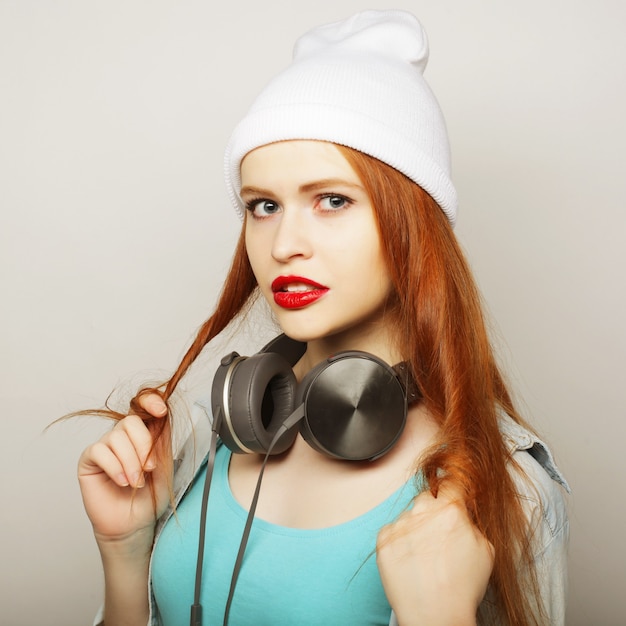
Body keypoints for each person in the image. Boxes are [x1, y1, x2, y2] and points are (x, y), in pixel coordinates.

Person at [77, 10, 569, 626]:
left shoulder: (506, 492)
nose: (285, 243)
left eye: (332, 200)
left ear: (413, 226)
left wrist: (442, 616)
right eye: (263, 205)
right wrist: (124, 556)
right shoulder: (203, 439)